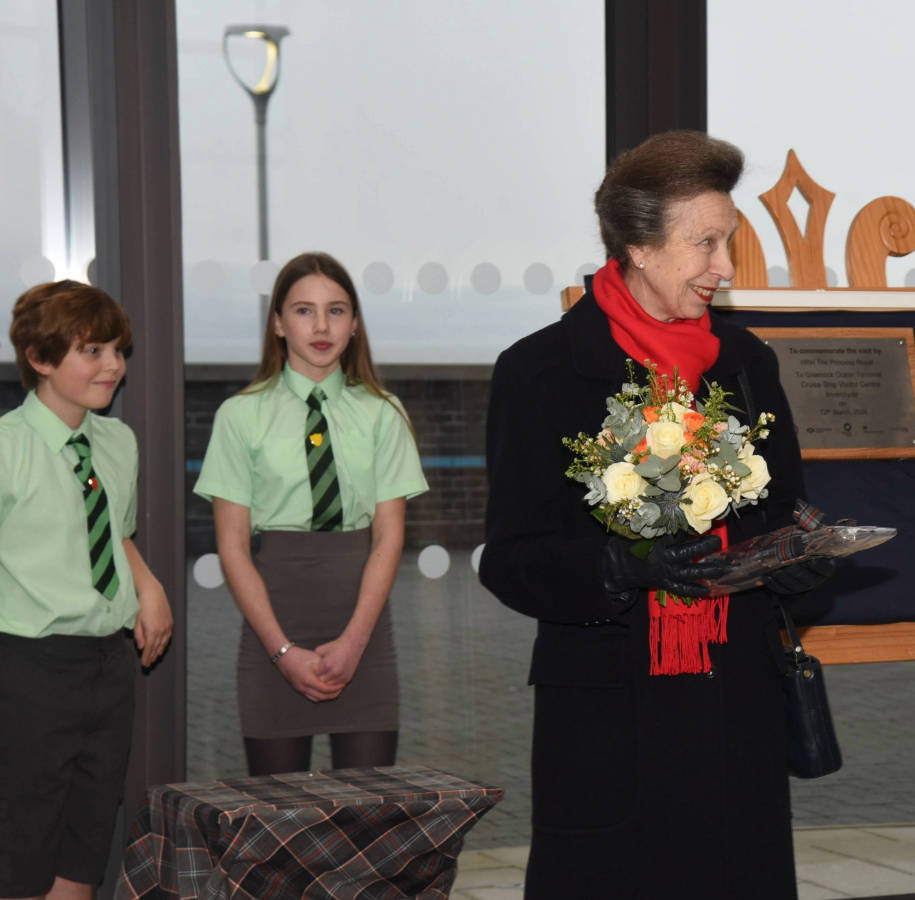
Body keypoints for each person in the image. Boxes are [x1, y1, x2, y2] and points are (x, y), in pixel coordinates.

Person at [480, 131, 835, 900]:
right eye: (704, 243)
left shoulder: (747, 365)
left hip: (733, 709)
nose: (725, 268)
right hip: (612, 720)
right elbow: (510, 559)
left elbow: (781, 511)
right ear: (639, 246)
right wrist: (616, 567)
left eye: (728, 241)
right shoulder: (539, 372)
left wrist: (800, 565)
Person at [194, 252, 428, 776]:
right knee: (280, 830)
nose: (321, 326)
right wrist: (282, 651)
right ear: (278, 323)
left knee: (367, 823)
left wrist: (353, 643)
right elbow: (231, 549)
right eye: (304, 311)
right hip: (271, 629)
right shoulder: (240, 415)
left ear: (355, 324)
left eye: (337, 311)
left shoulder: (384, 413)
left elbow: (388, 540)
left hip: (363, 630)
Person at [0, 281, 173, 900]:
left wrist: (148, 585)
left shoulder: (116, 442)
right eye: (93, 351)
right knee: (23, 845)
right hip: (28, 670)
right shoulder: (7, 449)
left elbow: (113, 533)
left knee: (87, 837)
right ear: (41, 360)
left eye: (118, 351)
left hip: (107, 666)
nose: (114, 366)